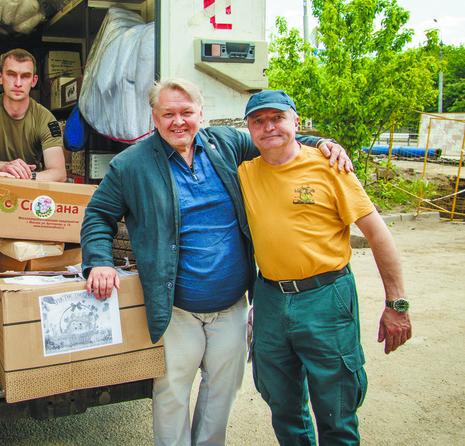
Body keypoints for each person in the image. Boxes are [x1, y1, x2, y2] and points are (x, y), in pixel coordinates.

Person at [81, 78, 351, 446]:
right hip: (177, 308)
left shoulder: (225, 143)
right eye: (168, 114)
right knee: (172, 392)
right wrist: (98, 262)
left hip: (232, 305)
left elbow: (274, 139)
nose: (179, 122)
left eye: (187, 112)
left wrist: (322, 143)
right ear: (154, 118)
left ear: (200, 114)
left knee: (222, 391)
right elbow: (98, 215)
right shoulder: (131, 165)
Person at [238, 89, 413, 446]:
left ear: (296, 123)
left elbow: (379, 236)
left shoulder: (330, 166)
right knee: (282, 405)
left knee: (337, 406)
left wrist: (397, 304)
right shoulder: (243, 172)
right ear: (249, 129)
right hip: (271, 297)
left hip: (327, 297)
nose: (268, 127)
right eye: (259, 120)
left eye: (277, 118)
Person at [0, 48, 66, 181]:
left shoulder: (45, 118)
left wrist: (22, 176)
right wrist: (3, 167)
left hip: (29, 187)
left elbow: (60, 173)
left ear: (34, 81)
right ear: (0, 77)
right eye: (11, 74)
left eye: (25, 76)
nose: (18, 83)